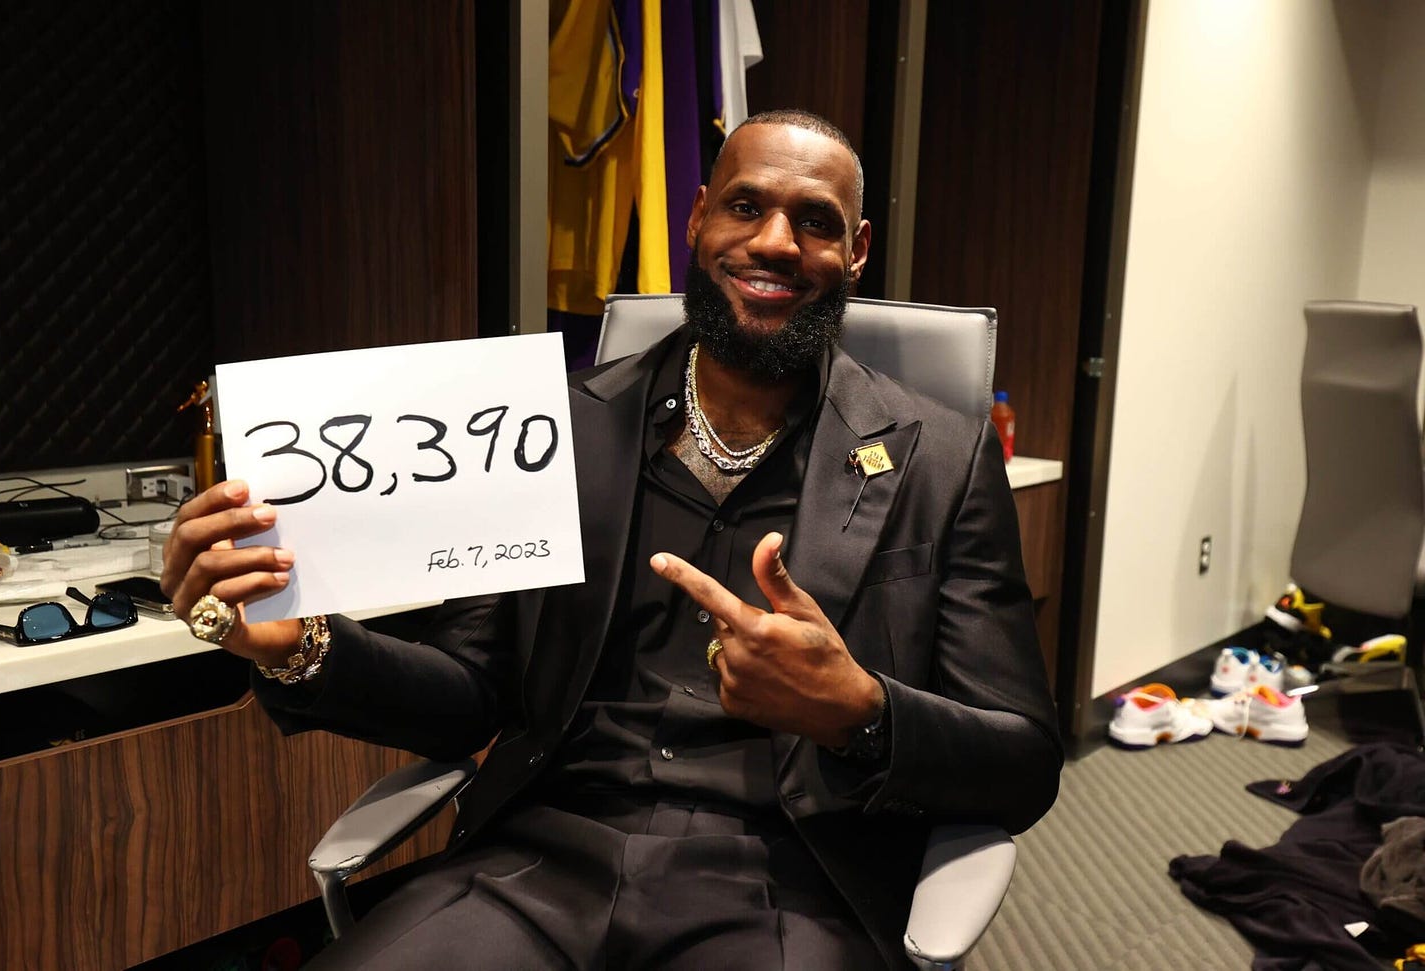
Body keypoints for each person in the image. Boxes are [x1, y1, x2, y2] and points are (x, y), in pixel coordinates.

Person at [162, 109, 1061, 970]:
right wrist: (301, 651)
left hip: (788, 884)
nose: (777, 242)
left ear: (855, 252)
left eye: (815, 221)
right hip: (542, 865)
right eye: (747, 205)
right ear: (698, 219)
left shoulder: (942, 456)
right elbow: (473, 692)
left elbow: (1021, 760)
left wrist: (859, 710)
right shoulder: (554, 429)